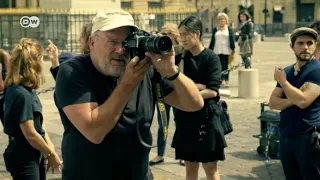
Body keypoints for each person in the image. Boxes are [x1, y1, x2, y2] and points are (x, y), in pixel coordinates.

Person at [53, 10, 204, 180]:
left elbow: (194, 104)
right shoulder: (73, 71)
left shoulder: (143, 69)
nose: (120, 49)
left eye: (126, 42)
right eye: (112, 41)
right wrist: (128, 84)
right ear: (92, 42)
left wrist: (171, 72)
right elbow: (95, 131)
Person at [172, 16, 227, 180]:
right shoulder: (180, 57)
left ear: (197, 33)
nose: (182, 39)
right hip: (185, 118)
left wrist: (189, 92)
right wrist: (198, 87)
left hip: (206, 119)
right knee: (190, 169)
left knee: (210, 169)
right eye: (180, 35)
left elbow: (213, 91)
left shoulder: (211, 58)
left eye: (185, 34)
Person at [2, 38, 62, 179]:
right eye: (41, 58)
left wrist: (50, 147)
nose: (42, 62)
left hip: (35, 151)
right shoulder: (20, 94)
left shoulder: (26, 89)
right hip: (24, 157)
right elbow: (30, 133)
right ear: (33, 63)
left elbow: (38, 125)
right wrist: (50, 154)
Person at [269, 27, 320, 180]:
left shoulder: (317, 70)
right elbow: (273, 102)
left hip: (308, 137)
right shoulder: (288, 70)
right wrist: (295, 97)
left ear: (315, 45)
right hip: (286, 136)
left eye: (309, 43)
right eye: (300, 43)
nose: (305, 47)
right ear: (292, 46)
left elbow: (304, 102)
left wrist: (283, 82)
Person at [149, 23, 185, 166]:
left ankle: (182, 154)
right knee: (162, 124)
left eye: (165, 34)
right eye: (161, 33)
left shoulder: (182, 50)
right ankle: (160, 154)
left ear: (174, 35)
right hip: (162, 90)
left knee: (180, 123)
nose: (162, 37)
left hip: (177, 91)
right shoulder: (159, 50)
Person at [209, 13, 235, 87]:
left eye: (223, 19)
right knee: (218, 66)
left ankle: (226, 80)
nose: (222, 20)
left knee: (225, 66)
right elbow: (212, 39)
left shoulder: (229, 29)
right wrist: (210, 48)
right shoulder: (215, 29)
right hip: (217, 50)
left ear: (226, 20)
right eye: (220, 19)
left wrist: (233, 49)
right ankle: (219, 80)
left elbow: (231, 39)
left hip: (226, 50)